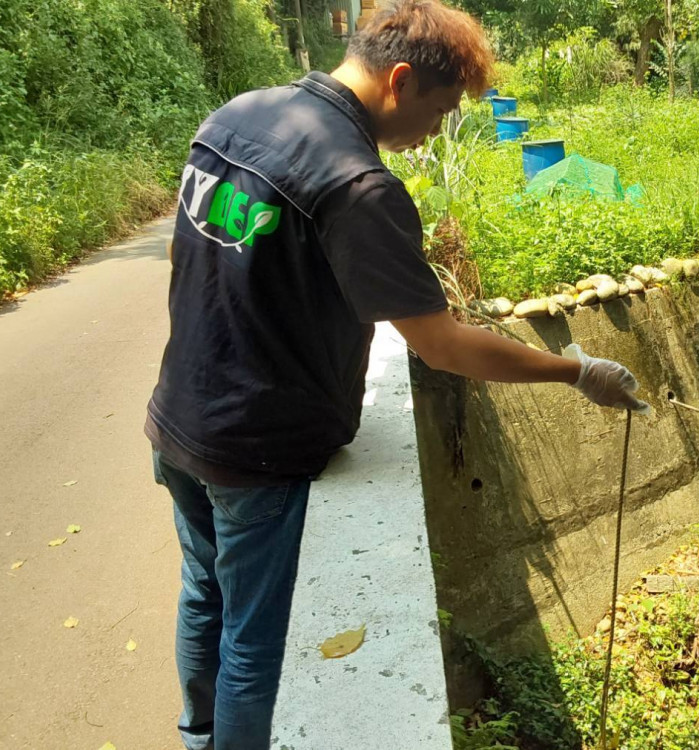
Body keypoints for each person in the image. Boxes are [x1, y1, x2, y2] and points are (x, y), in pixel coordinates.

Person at [144, 1, 647, 748]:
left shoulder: (239, 115)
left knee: (204, 594)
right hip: (257, 449)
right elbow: (442, 345)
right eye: (441, 110)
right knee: (255, 643)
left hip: (176, 418)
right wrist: (573, 372)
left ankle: (197, 734)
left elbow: (207, 268)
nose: (436, 132)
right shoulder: (357, 185)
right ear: (400, 80)